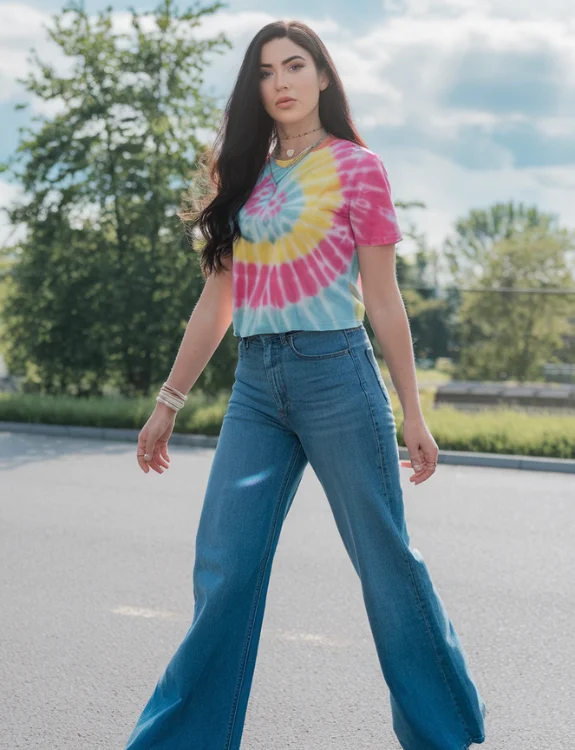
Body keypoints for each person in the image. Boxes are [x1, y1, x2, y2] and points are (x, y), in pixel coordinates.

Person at [126, 19, 487, 750]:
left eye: (295, 65)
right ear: (254, 87)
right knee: (224, 569)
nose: (281, 81)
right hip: (257, 388)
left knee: (385, 562)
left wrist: (412, 412)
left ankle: (443, 735)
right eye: (265, 71)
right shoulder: (246, 175)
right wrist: (168, 401)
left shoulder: (358, 166)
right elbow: (216, 301)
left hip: (337, 376)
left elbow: (383, 300)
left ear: (322, 76)